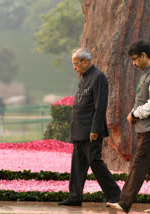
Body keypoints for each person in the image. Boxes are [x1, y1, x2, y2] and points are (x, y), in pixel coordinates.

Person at [108, 41, 150, 213]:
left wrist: (135, 114)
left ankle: (124, 202)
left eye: (135, 59)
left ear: (144, 55)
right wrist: (134, 113)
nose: (133, 63)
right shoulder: (146, 73)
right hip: (145, 129)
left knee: (139, 165)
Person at [58, 48, 121, 206]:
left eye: (76, 63)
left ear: (85, 61)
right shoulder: (84, 77)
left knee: (95, 163)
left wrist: (95, 129)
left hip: (90, 131)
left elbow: (100, 106)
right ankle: (75, 196)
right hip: (79, 130)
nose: (74, 67)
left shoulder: (98, 77)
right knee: (77, 164)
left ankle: (115, 195)